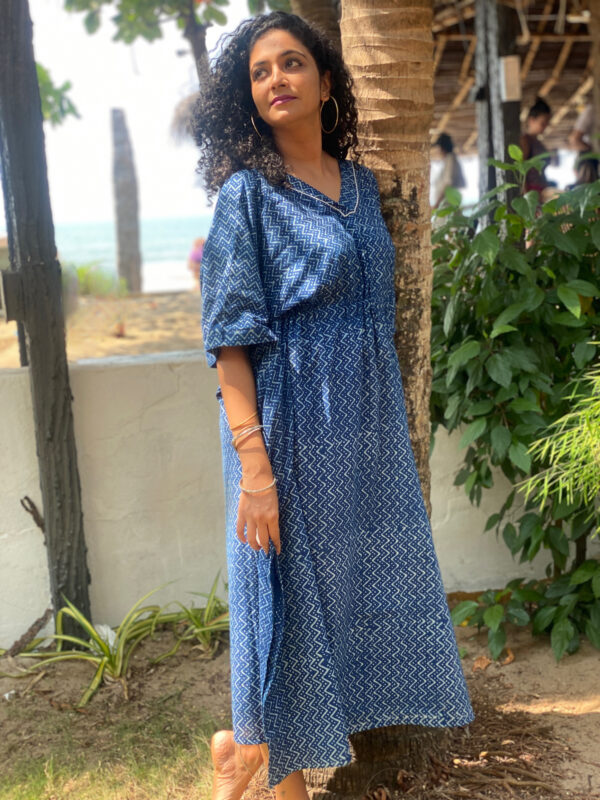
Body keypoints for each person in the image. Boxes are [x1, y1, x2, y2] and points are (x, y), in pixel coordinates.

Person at [192, 11, 474, 800]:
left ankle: (247, 755)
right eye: (259, 72)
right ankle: (262, 765)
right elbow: (229, 342)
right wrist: (255, 466)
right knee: (279, 592)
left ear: (323, 79)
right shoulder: (246, 196)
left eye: (291, 64)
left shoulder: (360, 186)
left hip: (364, 426)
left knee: (352, 595)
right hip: (284, 424)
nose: (277, 79)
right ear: (248, 99)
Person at [519, 96, 556, 196]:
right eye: (543, 123)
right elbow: (521, 171)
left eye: (547, 123)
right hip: (532, 193)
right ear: (531, 120)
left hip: (543, 189)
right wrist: (526, 197)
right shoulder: (525, 141)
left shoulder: (539, 143)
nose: (545, 127)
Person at [431, 132, 465, 209]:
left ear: (442, 148)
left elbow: (448, 184)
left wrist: (437, 204)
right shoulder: (449, 160)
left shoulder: (450, 159)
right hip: (445, 203)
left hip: (447, 204)